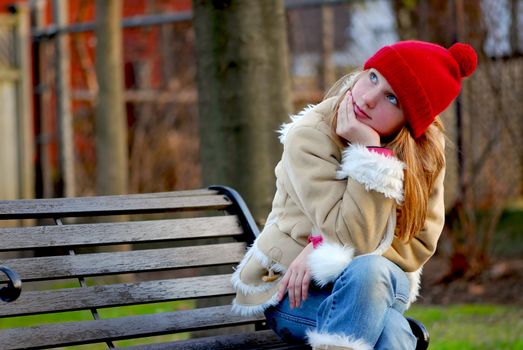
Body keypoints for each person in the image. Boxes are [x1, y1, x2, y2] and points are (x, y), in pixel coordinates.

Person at [231, 40, 477, 350]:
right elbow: (351, 236)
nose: (369, 98)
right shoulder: (310, 136)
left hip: (379, 284)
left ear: (410, 121)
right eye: (373, 77)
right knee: (391, 333)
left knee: (368, 270)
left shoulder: (425, 151)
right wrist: (371, 161)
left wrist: (320, 247)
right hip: (296, 290)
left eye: (392, 99)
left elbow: (418, 245)